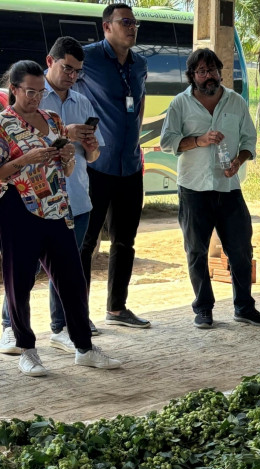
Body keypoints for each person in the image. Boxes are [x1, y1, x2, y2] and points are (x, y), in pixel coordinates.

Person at [0, 61, 122, 376]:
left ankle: (84, 347)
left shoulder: (53, 120)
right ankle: (27, 351)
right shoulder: (3, 124)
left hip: (57, 209)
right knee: (20, 283)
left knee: (72, 280)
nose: (37, 98)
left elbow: (65, 171)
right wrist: (25, 160)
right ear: (13, 89)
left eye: (41, 92)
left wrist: (67, 159)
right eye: (30, 92)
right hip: (19, 211)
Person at [160, 48, 260, 329]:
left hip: (228, 186)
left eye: (212, 70)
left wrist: (239, 160)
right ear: (192, 76)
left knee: (241, 249)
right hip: (193, 188)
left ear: (220, 72)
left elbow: (249, 139)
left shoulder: (235, 102)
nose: (208, 75)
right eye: (201, 71)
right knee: (196, 251)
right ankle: (203, 309)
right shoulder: (179, 104)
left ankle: (244, 307)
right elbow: (167, 142)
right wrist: (198, 140)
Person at [73, 3, 150, 328]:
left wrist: (134, 146)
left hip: (130, 166)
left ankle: (117, 309)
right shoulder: (88, 58)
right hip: (97, 166)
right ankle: (79, 314)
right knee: (87, 243)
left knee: (125, 240)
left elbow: (139, 108)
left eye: (134, 23)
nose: (132, 27)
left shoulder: (140, 64)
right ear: (107, 27)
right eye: (125, 22)